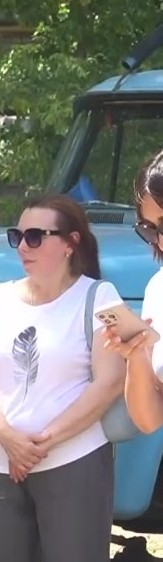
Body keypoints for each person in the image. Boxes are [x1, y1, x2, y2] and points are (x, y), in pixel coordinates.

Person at [0, 194, 126, 562]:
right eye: (18, 236)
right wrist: (10, 440)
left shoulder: (101, 297)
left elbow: (111, 382)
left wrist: (40, 443)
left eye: (35, 236)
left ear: (70, 244)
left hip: (75, 466)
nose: (23, 246)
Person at [105, 150, 163, 431]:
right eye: (150, 229)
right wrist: (136, 355)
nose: (160, 242)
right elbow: (149, 420)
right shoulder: (158, 288)